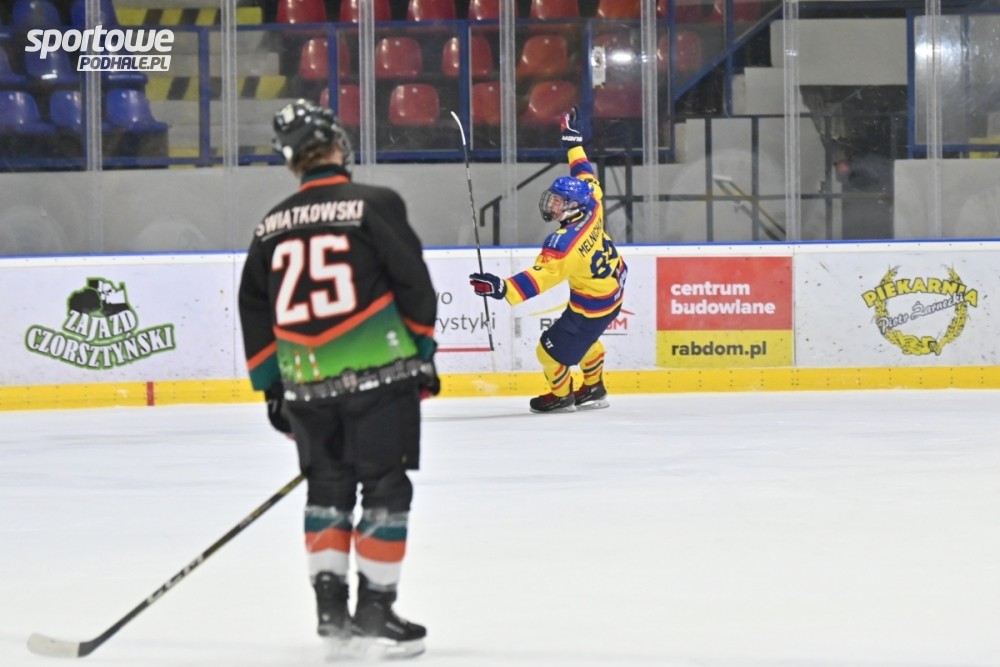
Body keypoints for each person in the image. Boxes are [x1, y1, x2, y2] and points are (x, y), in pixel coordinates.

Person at [237, 99, 438, 659]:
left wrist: (272, 387)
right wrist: (421, 352)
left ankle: (330, 614)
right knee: (385, 488)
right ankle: (374, 611)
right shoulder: (374, 203)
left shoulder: (269, 226)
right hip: (378, 378)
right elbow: (414, 286)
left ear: (290, 160)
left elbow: (255, 310)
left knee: (326, 491)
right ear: (335, 145)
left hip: (305, 386)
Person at [469, 107, 627, 414]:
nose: (552, 205)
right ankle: (594, 387)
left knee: (547, 352)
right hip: (613, 290)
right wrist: (572, 142)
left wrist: (501, 288)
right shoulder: (593, 202)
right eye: (553, 199)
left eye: (558, 202)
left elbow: (539, 279)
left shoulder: (564, 245)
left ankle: (561, 396)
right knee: (586, 340)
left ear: (572, 207)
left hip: (591, 307)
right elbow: (584, 173)